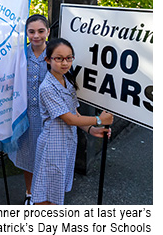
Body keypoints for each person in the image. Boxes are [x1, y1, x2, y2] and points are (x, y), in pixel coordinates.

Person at [31, 38, 113, 205]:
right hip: (52, 145)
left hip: (66, 143)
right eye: (59, 58)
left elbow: (74, 113)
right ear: (48, 60)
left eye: (69, 58)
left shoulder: (67, 80)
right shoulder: (47, 87)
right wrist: (99, 119)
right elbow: (69, 119)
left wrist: (91, 129)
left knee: (56, 191)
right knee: (44, 195)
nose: (65, 62)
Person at [8, 14, 50, 205]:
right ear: (26, 33)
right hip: (27, 116)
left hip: (50, 117)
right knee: (28, 156)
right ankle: (30, 193)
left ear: (48, 32)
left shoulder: (55, 54)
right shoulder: (20, 55)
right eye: (31, 31)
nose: (36, 36)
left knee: (47, 158)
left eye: (41, 31)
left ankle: (47, 194)